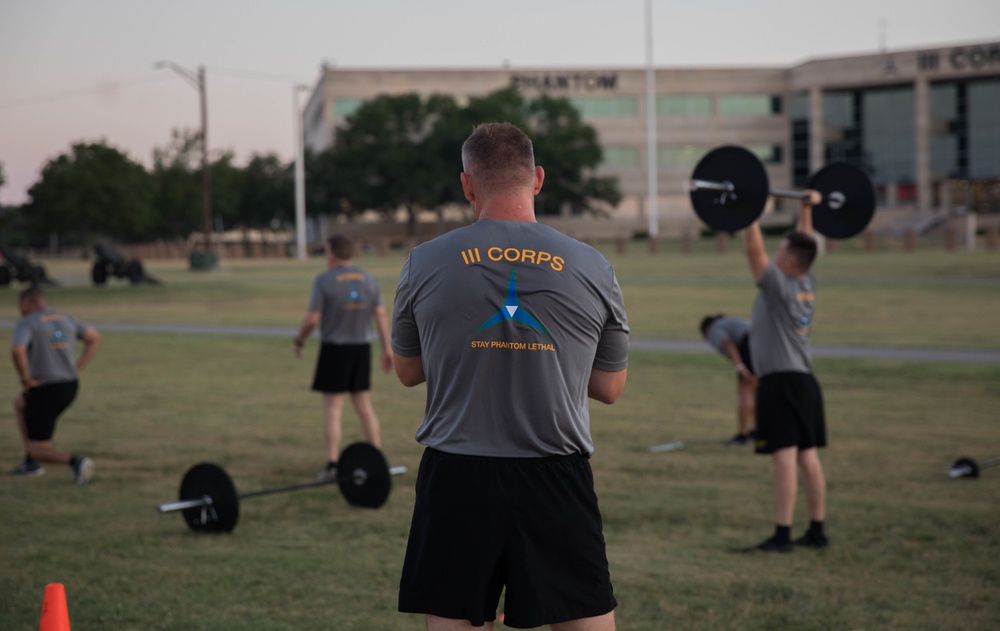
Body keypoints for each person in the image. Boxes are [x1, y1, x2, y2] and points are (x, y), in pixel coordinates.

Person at [392, 122, 629, 630]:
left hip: (456, 472)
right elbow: (609, 388)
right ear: (537, 179)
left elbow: (408, 371)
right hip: (554, 473)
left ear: (467, 184)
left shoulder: (421, 262)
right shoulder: (594, 266)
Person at [742, 190, 829, 553]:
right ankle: (817, 530)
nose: (775, 255)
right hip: (806, 382)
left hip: (780, 384)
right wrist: (805, 208)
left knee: (784, 459)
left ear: (791, 261)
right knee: (807, 456)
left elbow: (754, 253)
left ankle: (782, 536)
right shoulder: (805, 280)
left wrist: (747, 213)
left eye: (782, 252)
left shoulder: (778, 285)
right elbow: (803, 240)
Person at [294, 235, 392, 480]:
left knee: (333, 409)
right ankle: (377, 459)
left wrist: (299, 339)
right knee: (365, 407)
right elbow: (380, 315)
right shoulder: (368, 278)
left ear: (331, 254)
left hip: (335, 350)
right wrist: (387, 349)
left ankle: (333, 465)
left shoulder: (324, 280)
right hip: (362, 348)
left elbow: (313, 319)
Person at [10, 285, 101, 484]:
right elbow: (94, 338)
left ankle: (75, 462)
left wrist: (25, 379)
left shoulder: (28, 322)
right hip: (69, 385)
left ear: (27, 302)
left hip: (46, 389)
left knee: (38, 448)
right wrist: (78, 366)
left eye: (20, 304)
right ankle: (31, 462)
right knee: (20, 403)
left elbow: (18, 350)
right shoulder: (64, 319)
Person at [700, 314, 756, 444]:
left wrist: (740, 367)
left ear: (705, 330)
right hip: (761, 341)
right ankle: (757, 431)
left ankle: (742, 435)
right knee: (755, 388)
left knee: (745, 390)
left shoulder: (714, 329)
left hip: (749, 343)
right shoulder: (729, 322)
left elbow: (728, 344)